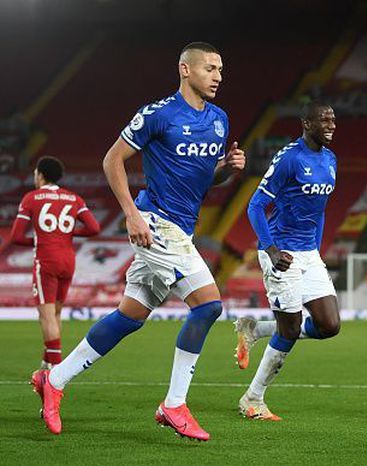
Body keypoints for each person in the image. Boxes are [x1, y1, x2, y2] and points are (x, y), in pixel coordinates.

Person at [30, 42, 246, 440]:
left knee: (130, 317)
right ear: (185, 69)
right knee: (208, 306)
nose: (218, 76)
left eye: (221, 69)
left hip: (181, 227)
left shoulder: (219, 120)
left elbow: (201, 179)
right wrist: (131, 214)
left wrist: (225, 170)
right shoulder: (158, 114)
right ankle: (174, 404)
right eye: (210, 68)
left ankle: (54, 380)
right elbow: (112, 160)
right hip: (154, 222)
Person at [233, 101, 339, 421]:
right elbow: (255, 206)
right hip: (282, 254)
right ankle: (253, 399)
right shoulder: (289, 159)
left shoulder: (331, 159)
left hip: (309, 254)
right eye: (325, 120)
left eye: (334, 119)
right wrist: (270, 249)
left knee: (329, 325)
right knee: (290, 330)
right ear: (307, 124)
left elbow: (318, 211)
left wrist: (315, 250)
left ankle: (254, 328)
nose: (332, 125)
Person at [11, 156, 101, 370]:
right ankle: (47, 360)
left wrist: (40, 239)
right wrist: (67, 233)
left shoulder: (31, 198)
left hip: (46, 260)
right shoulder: (74, 199)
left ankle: (57, 368)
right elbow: (94, 228)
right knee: (56, 313)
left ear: (41, 175)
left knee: (46, 315)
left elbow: (16, 236)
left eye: (35, 173)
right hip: (68, 260)